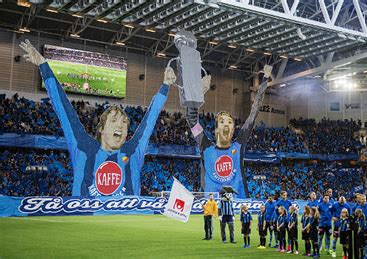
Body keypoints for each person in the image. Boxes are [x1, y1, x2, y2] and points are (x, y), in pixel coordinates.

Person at [19, 39, 171, 196]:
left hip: (125, 218)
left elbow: (150, 119)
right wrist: (44, 66)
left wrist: (166, 85)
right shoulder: (83, 147)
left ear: (126, 134)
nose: (120, 126)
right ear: (101, 129)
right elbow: (63, 108)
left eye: (124, 124)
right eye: (114, 121)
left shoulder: (133, 151)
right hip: (85, 219)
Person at [184, 65, 273, 198]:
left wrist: (265, 78)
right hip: (211, 204)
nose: (226, 124)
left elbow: (254, 112)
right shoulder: (205, 146)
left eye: (230, 122)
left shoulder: (239, 145)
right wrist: (199, 93)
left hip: (239, 204)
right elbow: (191, 119)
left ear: (233, 130)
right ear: (215, 129)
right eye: (222, 121)